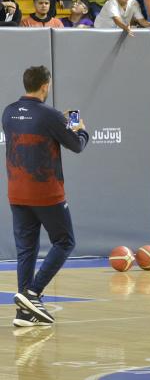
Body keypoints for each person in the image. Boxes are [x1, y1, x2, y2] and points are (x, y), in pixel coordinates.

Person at [3, 66, 90, 327]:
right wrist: (80, 128)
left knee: (25, 250)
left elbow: (34, 128)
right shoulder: (50, 116)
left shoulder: (7, 112)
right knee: (65, 242)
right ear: (45, 86)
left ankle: (23, 313)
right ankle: (33, 293)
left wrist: (59, 123)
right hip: (46, 192)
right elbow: (77, 145)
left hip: (16, 193)